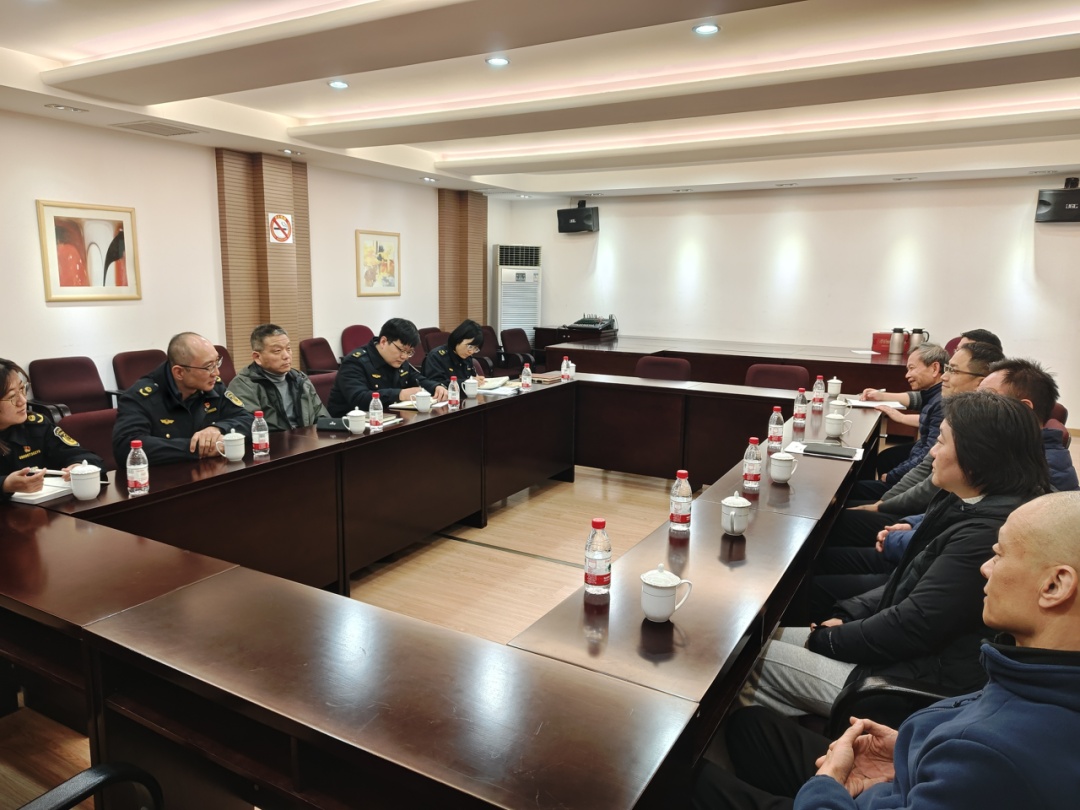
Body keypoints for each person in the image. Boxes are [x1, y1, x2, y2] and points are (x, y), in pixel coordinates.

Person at [693, 490, 1080, 810]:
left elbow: (913, 625)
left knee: (688, 781)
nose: (985, 568)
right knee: (750, 729)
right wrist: (911, 753)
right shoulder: (1035, 674)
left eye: (1000, 555)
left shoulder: (991, 754)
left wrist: (828, 783)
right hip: (901, 777)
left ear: (1055, 585)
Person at [740, 392, 1049, 720]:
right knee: (763, 640)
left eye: (941, 442)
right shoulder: (968, 501)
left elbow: (914, 625)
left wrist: (829, 640)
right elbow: (909, 581)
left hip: (905, 683)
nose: (932, 452)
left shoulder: (987, 534)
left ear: (976, 458)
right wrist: (848, 616)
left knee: (744, 664)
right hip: (899, 655)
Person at [810, 342, 1006, 616]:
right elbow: (940, 501)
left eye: (952, 369)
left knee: (834, 524)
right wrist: (910, 522)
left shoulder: (978, 435)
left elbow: (931, 490)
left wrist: (884, 508)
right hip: (913, 537)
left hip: (909, 559)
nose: (945, 376)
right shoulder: (956, 411)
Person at [112, 332, 254, 466]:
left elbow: (250, 421)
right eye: (208, 367)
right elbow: (126, 447)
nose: (216, 372)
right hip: (164, 479)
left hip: (210, 472)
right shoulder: (141, 397)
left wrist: (218, 428)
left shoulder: (213, 387)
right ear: (179, 372)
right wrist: (194, 448)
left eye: (217, 362)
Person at [850, 343, 948, 500]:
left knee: (850, 490)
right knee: (886, 458)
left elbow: (927, 454)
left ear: (935, 368)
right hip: (917, 469)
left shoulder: (941, 401)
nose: (907, 375)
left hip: (917, 483)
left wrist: (893, 476)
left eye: (912, 368)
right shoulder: (932, 395)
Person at [1, 358, 104, 501]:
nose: (23, 401)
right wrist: (5, 485)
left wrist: (78, 466)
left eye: (22, 389)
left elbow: (82, 455)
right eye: (12, 396)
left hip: (43, 508)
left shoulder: (36, 425)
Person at [979, 357, 1077, 491]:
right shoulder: (1012, 450)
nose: (974, 404)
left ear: (1023, 409)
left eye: (988, 397)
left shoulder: (1039, 474)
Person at [328, 318, 447, 416]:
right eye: (401, 350)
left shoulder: (398, 360)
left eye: (409, 352)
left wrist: (435, 387)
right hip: (349, 426)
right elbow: (359, 398)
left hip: (388, 419)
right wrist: (400, 394)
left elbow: (416, 378)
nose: (404, 356)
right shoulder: (355, 362)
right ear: (383, 342)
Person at [228, 324, 330, 430]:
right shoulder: (243, 385)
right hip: (272, 440)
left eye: (288, 348)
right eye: (277, 351)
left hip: (306, 438)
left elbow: (322, 417)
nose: (286, 356)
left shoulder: (300, 379)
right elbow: (250, 427)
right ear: (257, 357)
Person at [422, 319, 486, 386]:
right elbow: (436, 384)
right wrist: (466, 382)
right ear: (458, 338)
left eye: (475, 348)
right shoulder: (436, 356)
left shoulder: (467, 358)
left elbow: (471, 377)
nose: (471, 352)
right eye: (470, 347)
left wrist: (476, 380)